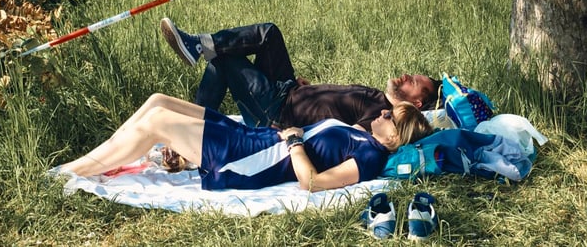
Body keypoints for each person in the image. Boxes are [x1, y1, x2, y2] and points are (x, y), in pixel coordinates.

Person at [54, 94, 434, 191]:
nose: (382, 113)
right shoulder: (361, 133)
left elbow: (312, 183)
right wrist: (188, 160)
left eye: (390, 117)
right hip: (251, 138)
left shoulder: (368, 155)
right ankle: (106, 155)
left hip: (250, 158)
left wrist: (294, 143)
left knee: (155, 123)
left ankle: (71, 172)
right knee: (158, 102)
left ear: (396, 138)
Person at [160, 19, 442, 130]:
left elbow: (342, 137)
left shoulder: (383, 119)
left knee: (223, 61)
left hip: (277, 111)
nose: (406, 76)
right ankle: (200, 45)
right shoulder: (378, 97)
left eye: (414, 82)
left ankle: (191, 129)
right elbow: (334, 104)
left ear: (417, 104)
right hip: (290, 90)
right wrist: (310, 89)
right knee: (269, 33)